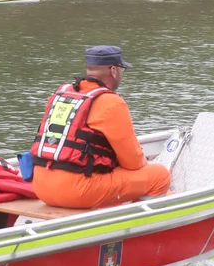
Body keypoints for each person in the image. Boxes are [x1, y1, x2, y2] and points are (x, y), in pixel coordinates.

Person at [30, 46, 171, 209]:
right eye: (122, 69)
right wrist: (146, 164)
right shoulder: (111, 102)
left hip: (41, 186)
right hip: (75, 191)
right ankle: (138, 227)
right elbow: (133, 163)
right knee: (159, 176)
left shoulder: (62, 94)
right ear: (113, 70)